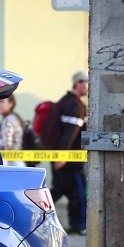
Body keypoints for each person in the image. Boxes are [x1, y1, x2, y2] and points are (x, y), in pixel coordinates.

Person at [40, 70, 88, 235]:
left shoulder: (65, 101)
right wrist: (63, 156)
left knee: (60, 190)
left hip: (62, 157)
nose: (88, 86)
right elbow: (70, 133)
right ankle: (79, 225)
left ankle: (37, 215)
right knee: (79, 192)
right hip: (69, 159)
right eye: (85, 82)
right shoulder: (75, 106)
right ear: (77, 83)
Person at [0, 95, 26, 167]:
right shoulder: (13, 117)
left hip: (11, 163)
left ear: (11, 103)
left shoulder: (8, 119)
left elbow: (7, 145)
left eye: (1, 101)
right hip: (16, 162)